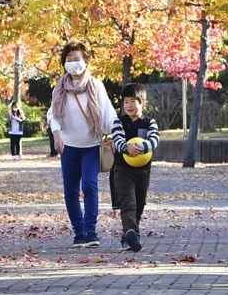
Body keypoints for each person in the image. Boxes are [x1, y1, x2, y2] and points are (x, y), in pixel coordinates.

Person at [46, 42, 117, 248]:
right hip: (68, 146)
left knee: (89, 185)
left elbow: (107, 113)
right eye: (69, 60)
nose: (73, 63)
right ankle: (79, 232)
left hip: (91, 145)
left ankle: (91, 230)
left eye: (77, 59)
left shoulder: (96, 85)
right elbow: (54, 115)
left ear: (86, 61)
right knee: (70, 191)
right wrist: (57, 135)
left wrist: (116, 131)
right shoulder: (59, 89)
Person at [108, 82, 161, 252]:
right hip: (122, 170)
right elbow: (117, 140)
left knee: (139, 203)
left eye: (133, 101)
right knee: (128, 203)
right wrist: (126, 148)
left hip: (143, 171)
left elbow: (154, 139)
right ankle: (131, 231)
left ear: (142, 103)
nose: (129, 105)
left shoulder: (149, 122)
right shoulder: (119, 122)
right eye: (126, 102)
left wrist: (142, 147)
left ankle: (129, 237)